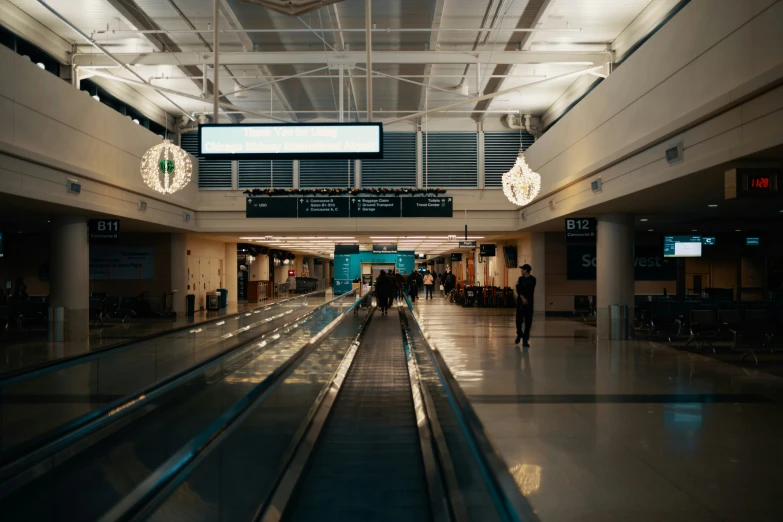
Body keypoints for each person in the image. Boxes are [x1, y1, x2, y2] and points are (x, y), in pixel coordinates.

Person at [515, 264, 537, 348]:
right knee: (518, 320)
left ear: (526, 270)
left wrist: (527, 299)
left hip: (529, 303)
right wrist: (523, 298)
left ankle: (525, 340)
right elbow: (518, 290)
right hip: (521, 302)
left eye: (522, 269)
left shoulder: (533, 279)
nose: (521, 271)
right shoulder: (520, 279)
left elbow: (531, 290)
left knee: (528, 322)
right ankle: (519, 333)